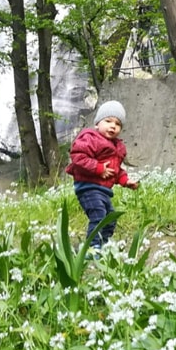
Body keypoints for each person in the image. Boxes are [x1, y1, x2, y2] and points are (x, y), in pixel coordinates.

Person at [65, 100, 139, 252]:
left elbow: (116, 170)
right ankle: (92, 248)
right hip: (87, 187)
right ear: (97, 123)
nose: (113, 126)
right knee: (99, 215)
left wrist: (126, 181)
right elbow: (78, 157)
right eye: (108, 121)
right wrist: (98, 168)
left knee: (110, 219)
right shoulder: (90, 138)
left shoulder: (117, 147)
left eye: (118, 124)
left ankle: (103, 244)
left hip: (103, 191)